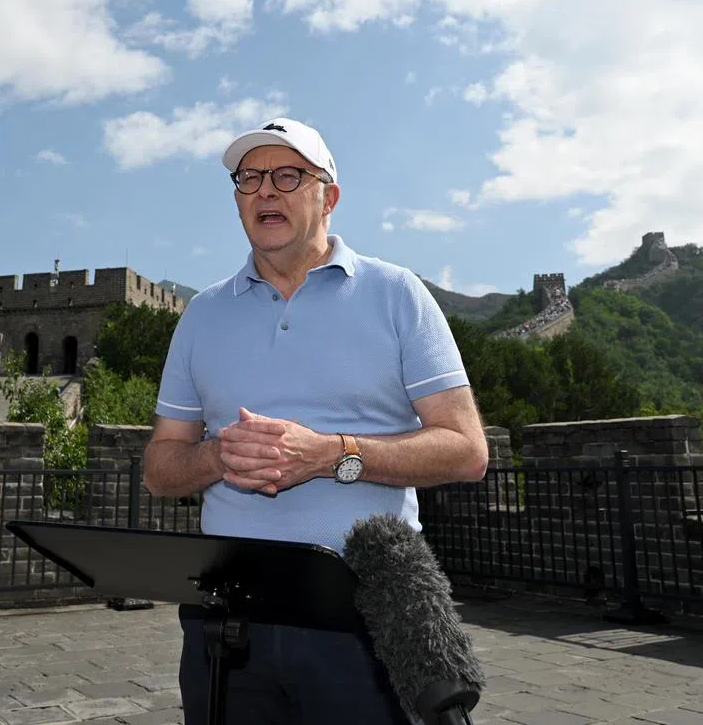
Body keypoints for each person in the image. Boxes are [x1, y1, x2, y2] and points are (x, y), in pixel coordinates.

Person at [142, 117, 489, 724]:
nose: (265, 191)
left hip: (361, 616)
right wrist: (219, 457)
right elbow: (160, 467)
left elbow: (465, 449)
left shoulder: (396, 294)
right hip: (228, 621)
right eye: (249, 178)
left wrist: (331, 454)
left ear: (327, 197)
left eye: (287, 175)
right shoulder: (202, 314)